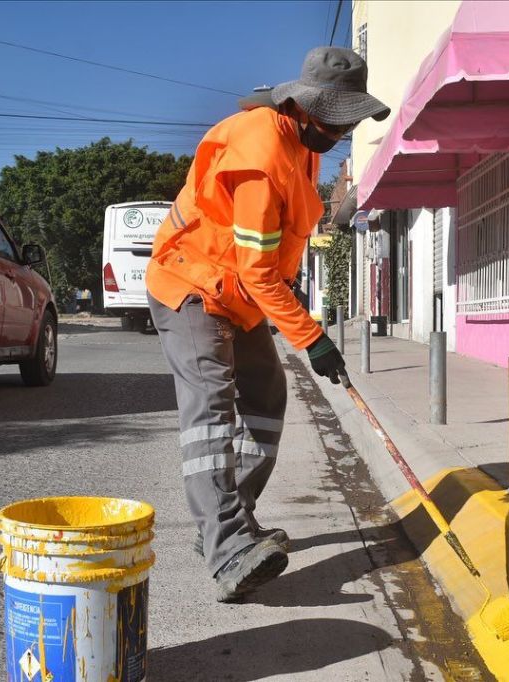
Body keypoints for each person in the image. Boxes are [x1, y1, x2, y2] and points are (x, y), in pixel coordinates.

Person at [145, 46, 389, 602]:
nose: (340, 132)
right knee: (211, 407)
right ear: (303, 107)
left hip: (237, 293)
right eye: (335, 120)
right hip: (192, 285)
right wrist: (314, 339)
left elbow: (270, 254)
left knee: (266, 396)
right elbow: (258, 269)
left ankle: (230, 521)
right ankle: (228, 548)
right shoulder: (259, 152)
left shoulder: (302, 147)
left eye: (348, 122)